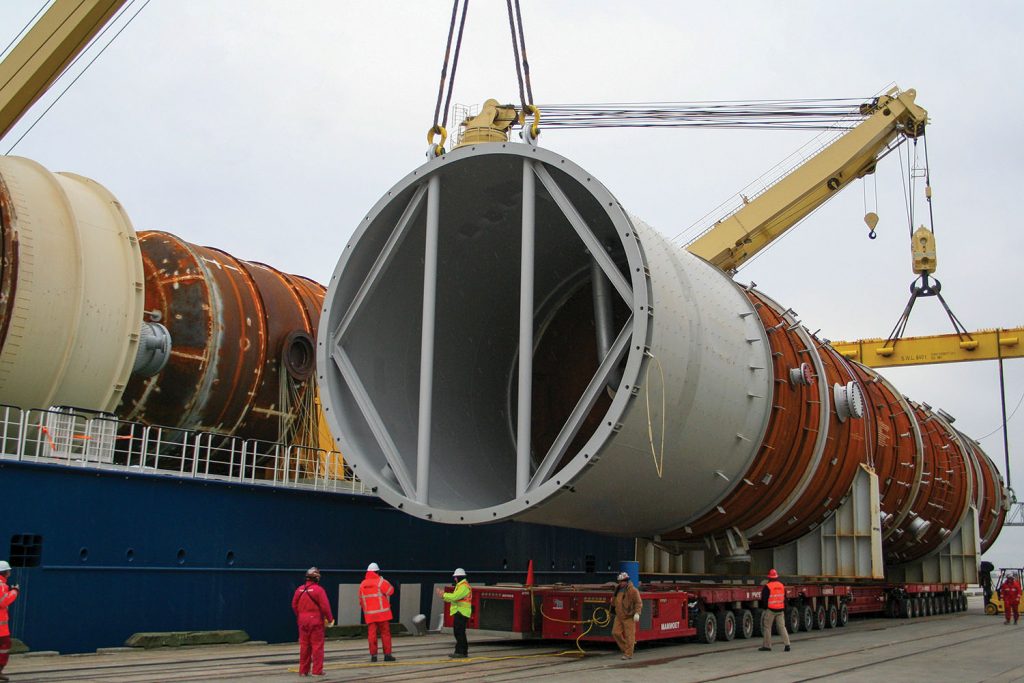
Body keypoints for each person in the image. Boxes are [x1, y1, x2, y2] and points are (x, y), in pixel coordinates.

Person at [291, 567, 334, 677]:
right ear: (317, 578)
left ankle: (303, 671)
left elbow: (294, 605)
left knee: (304, 646)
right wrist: (330, 619)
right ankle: (317, 671)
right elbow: (325, 607)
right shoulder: (319, 590)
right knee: (317, 646)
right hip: (315, 622)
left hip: (302, 622)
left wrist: (301, 616)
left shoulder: (299, 590)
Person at [359, 562, 396, 662]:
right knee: (385, 634)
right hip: (382, 614)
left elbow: (361, 601)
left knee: (372, 635)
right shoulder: (380, 581)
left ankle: (373, 656)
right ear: (377, 572)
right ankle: (387, 655)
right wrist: (385, 581)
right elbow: (391, 591)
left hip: (370, 616)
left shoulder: (362, 584)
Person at [438, 567, 472, 659]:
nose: (455, 578)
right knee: (459, 632)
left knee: (459, 632)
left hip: (462, 612)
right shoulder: (461, 585)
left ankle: (461, 652)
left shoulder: (464, 586)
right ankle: (461, 651)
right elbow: (454, 597)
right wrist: (443, 596)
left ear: (460, 577)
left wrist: (444, 594)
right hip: (460, 612)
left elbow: (455, 597)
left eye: (456, 577)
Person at [610, 571, 642, 660]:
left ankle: (628, 654)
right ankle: (626, 649)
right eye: (620, 581)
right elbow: (614, 601)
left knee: (630, 636)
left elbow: (638, 602)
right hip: (619, 616)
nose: (621, 583)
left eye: (622, 581)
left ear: (627, 581)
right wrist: (612, 608)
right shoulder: (617, 589)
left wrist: (637, 613)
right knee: (615, 633)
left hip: (629, 616)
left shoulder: (633, 590)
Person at [758, 568, 791, 652]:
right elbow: (785, 598)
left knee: (767, 627)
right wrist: (785, 609)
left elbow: (764, 599)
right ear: (776, 577)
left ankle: (767, 646)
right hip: (780, 610)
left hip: (771, 610)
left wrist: (765, 608)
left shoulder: (767, 586)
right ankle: (787, 644)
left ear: (769, 577)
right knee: (782, 627)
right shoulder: (781, 585)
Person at [0, 561, 19, 683]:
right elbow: (3, 602)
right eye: (8, 571)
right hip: (1, 628)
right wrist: (15, 591)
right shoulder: (1, 585)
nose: (10, 573)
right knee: (4, 647)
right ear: (4, 572)